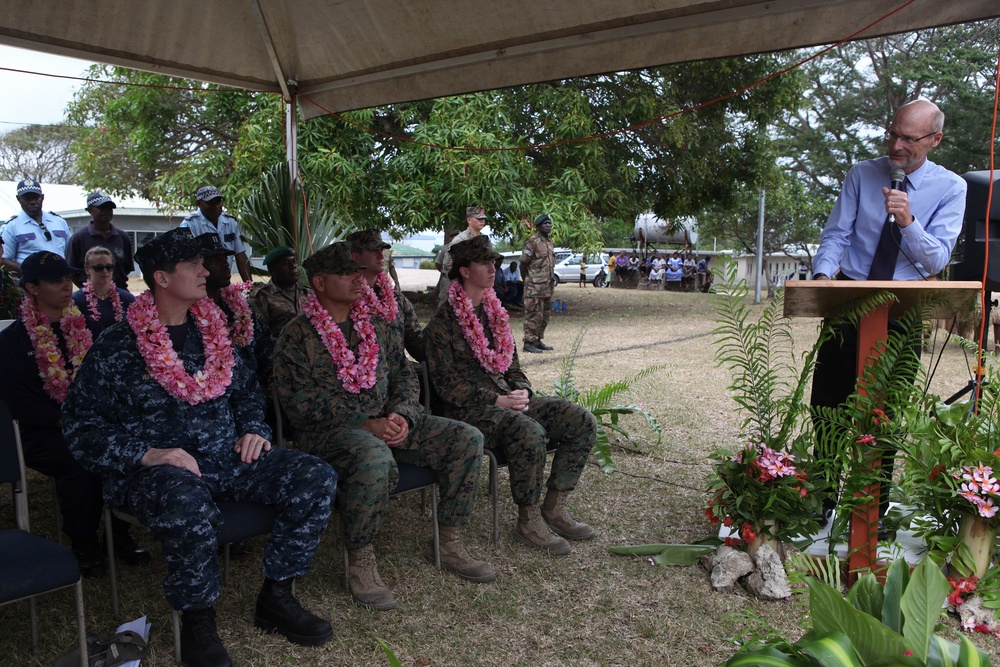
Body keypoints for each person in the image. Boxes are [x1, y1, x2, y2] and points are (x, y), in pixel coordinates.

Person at [62, 228, 337, 666]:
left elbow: (246, 391)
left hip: (226, 456)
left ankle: (277, 595)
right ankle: (197, 620)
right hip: (155, 474)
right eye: (192, 265)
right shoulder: (117, 346)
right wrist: (147, 454)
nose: (205, 271)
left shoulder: (214, 331)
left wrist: (253, 427)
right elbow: (80, 426)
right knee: (185, 502)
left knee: (314, 475)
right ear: (162, 278)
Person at [273, 242, 494, 613]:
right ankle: (360, 559)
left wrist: (402, 416)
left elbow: (405, 377)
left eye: (358, 271)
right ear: (320, 283)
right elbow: (299, 405)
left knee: (466, 438)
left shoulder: (374, 323)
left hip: (388, 423)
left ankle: (449, 539)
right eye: (347, 273)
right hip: (331, 435)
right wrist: (365, 423)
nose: (359, 279)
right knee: (374, 456)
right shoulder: (297, 336)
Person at [810, 99, 967, 522]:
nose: (896, 145)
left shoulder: (952, 188)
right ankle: (821, 503)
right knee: (827, 403)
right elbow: (837, 234)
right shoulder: (862, 174)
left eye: (909, 138)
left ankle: (869, 513)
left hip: (904, 308)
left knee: (884, 411)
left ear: (934, 140)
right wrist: (824, 279)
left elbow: (936, 260)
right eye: (892, 133)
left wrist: (908, 221)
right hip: (847, 297)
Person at [425, 236, 598, 555]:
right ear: (464, 271)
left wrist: (522, 390)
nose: (494, 268)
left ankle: (555, 506)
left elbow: (513, 367)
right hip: (466, 412)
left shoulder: (494, 315)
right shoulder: (442, 325)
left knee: (580, 420)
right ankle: (528, 519)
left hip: (506, 402)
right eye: (485, 263)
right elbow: (447, 387)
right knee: (528, 432)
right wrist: (498, 401)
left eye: (495, 262)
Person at [0, 251, 148, 578]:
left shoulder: (88, 327)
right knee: (80, 462)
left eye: (67, 278)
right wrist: (64, 419)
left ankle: (118, 529)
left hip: (95, 423)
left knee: (129, 447)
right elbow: (17, 401)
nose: (66, 286)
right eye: (55, 280)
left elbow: (116, 375)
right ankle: (83, 541)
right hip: (45, 432)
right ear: (32, 288)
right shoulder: (12, 341)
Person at [199, 232, 273, 390]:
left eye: (225, 258)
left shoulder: (238, 306)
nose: (226, 264)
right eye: (215, 260)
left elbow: (264, 345)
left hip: (255, 390)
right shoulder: (190, 313)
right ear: (199, 267)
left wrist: (270, 383)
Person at [347, 228, 425, 361]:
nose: (381, 256)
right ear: (356, 256)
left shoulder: (397, 300)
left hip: (401, 378)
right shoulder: (346, 301)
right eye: (373, 250)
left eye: (381, 250)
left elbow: (420, 346)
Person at [179, 185, 252, 282]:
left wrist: (250, 286)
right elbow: (187, 262)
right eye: (211, 203)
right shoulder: (190, 224)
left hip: (223, 281)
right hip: (201, 283)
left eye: (218, 201)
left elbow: (241, 256)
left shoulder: (230, 222)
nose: (216, 206)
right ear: (199, 203)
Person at [66, 192, 135, 290]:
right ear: (89, 210)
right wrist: (88, 289)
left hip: (120, 294)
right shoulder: (78, 238)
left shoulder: (122, 237)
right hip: (90, 297)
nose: (106, 211)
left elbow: (127, 268)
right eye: (102, 208)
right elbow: (72, 272)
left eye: (109, 208)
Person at [1, 179, 71, 273]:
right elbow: (4, 260)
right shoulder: (11, 226)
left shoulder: (59, 221)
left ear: (42, 197)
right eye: (27, 198)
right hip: (32, 284)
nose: (32, 202)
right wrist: (29, 272)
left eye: (36, 197)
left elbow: (71, 252)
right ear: (18, 199)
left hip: (61, 278)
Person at [251, 245, 311, 342]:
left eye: (294, 261)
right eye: (285, 263)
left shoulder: (309, 293)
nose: (293, 266)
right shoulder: (262, 297)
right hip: (281, 353)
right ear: (272, 270)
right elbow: (260, 337)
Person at [71, 246, 136, 331]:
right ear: (87, 269)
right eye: (99, 268)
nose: (105, 271)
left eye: (109, 267)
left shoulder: (127, 298)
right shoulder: (76, 301)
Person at [520, 214, 556, 354]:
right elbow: (523, 263)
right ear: (539, 226)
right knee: (533, 315)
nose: (548, 225)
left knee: (544, 315)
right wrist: (527, 281)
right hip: (534, 287)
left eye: (549, 223)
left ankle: (537, 340)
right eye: (545, 223)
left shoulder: (549, 242)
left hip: (547, 287)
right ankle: (528, 342)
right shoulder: (532, 241)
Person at [439, 206, 489, 304]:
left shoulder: (485, 240)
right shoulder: (460, 240)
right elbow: (447, 265)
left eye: (483, 219)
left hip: (478, 286)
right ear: (469, 220)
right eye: (478, 218)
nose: (482, 221)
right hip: (461, 286)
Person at [434, 229, 460, 305]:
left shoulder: (465, 249)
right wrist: (444, 271)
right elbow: (438, 264)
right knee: (444, 299)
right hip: (447, 278)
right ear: (451, 238)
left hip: (460, 279)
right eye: (455, 237)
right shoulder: (445, 249)